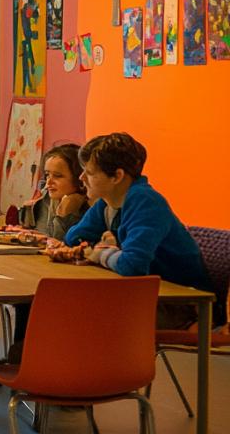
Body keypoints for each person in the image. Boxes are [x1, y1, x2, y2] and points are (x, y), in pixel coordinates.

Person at [62, 133, 214, 329]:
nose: (82, 178)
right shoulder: (108, 202)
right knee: (71, 307)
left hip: (181, 304)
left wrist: (101, 253)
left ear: (117, 176)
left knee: (77, 314)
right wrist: (97, 249)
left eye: (89, 173)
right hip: (143, 293)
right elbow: (74, 238)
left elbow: (132, 266)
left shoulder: (146, 201)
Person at [0, 143, 88, 363]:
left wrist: (63, 213)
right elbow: (35, 237)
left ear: (79, 178)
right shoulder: (42, 203)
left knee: (28, 300)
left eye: (58, 176)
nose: (49, 182)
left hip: (66, 283)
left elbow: (58, 243)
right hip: (33, 272)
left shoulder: (87, 207)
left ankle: (20, 362)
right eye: (47, 175)